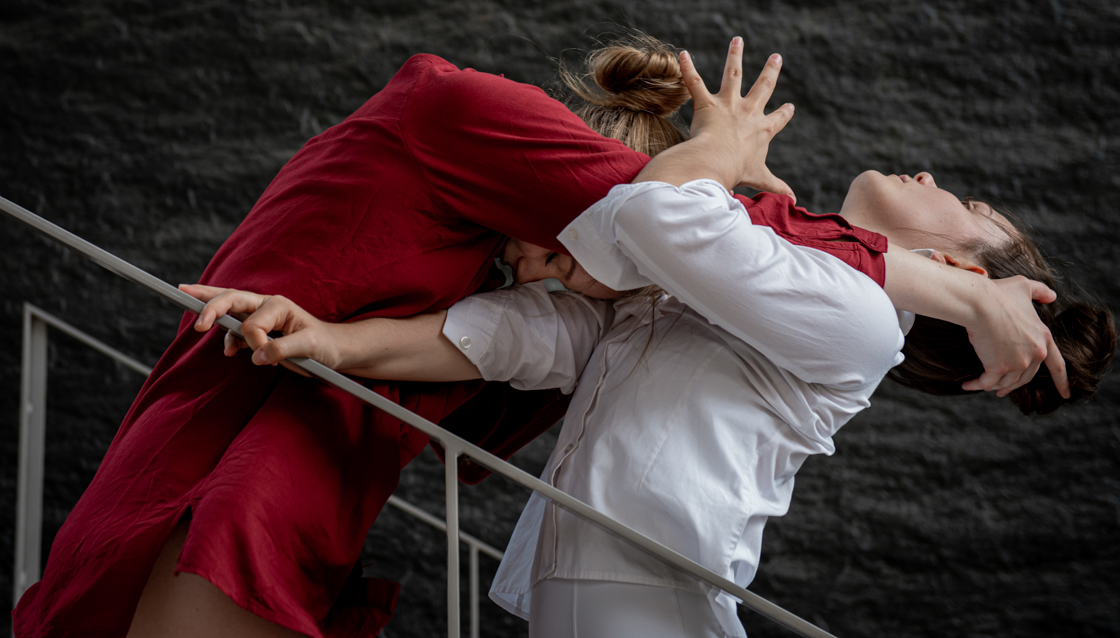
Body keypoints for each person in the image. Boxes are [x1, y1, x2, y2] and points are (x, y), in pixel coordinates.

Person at [182, 40, 1114, 636]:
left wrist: (717, 145)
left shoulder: (861, 315)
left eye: (967, 203)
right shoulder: (797, 265)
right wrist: (335, 344)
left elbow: (662, 218)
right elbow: (542, 334)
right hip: (605, 604)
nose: (930, 174)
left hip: (654, 609)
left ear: (961, 275)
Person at [13, 35, 912, 638]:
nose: (535, 268)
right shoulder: (460, 118)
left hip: (289, 481)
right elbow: (651, 227)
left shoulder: (588, 300)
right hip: (254, 465)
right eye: (543, 248)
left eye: (564, 259)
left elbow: (660, 241)